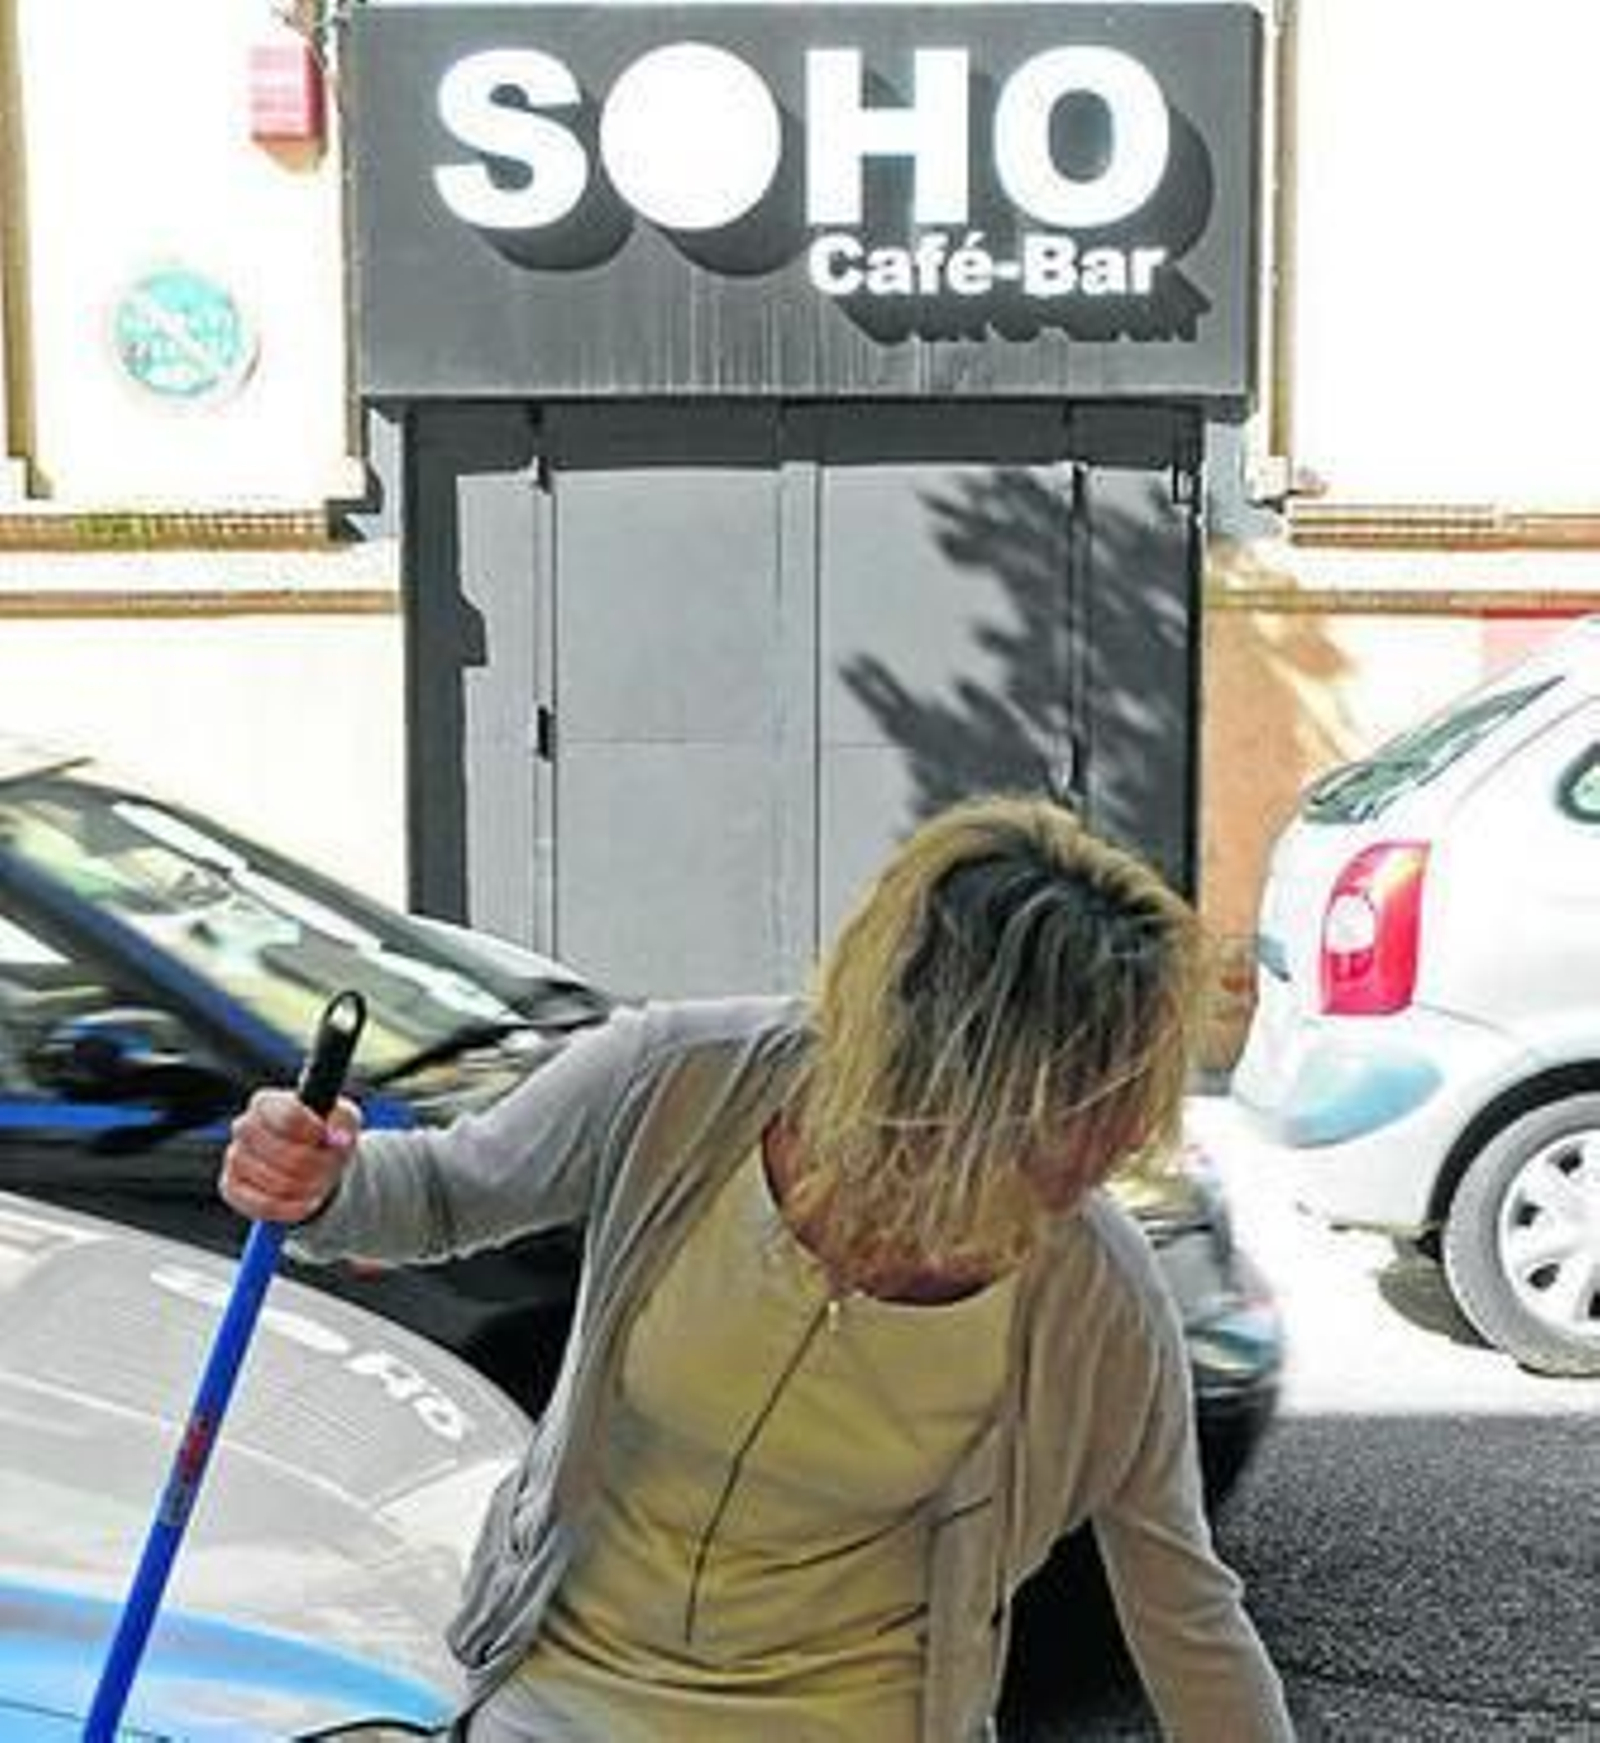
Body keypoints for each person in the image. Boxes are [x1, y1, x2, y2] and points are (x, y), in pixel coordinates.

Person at [222, 792, 1294, 1743]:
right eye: (1093, 1105)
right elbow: (441, 1194)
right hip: (563, 1703)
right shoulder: (682, 1084)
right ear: (965, 1078)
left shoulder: (1090, 1292)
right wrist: (314, 1179)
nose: (1122, 1143)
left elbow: (1181, 1602)